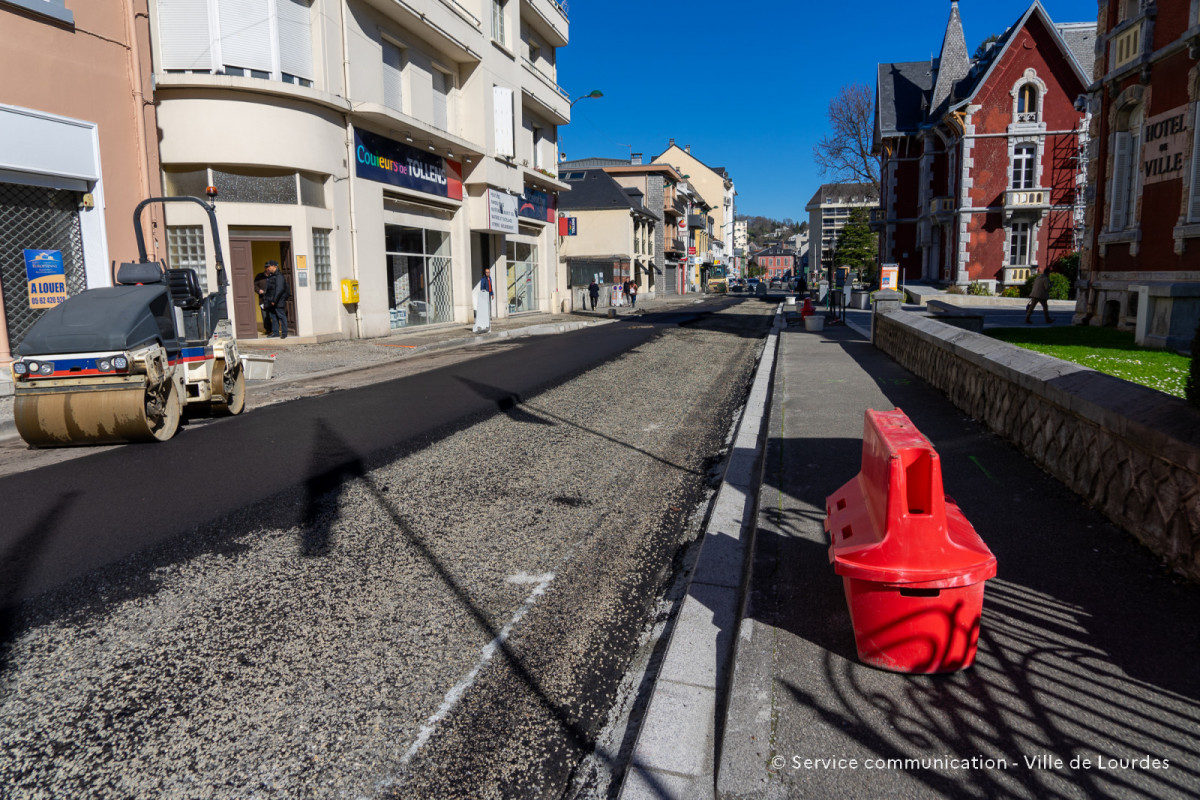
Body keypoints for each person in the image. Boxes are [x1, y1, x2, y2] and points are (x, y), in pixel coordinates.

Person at [263, 260, 290, 339]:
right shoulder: (272, 276)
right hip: (272, 301)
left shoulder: (279, 276)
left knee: (281, 316)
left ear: (274, 266)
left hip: (278, 301)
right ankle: (275, 332)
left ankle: (284, 333)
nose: (267, 268)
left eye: (269, 266)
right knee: (274, 317)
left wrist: (274, 300)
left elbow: (279, 289)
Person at [254, 267, 274, 336]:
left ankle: (274, 330)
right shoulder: (259, 276)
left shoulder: (274, 276)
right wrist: (258, 290)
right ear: (265, 268)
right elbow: (254, 285)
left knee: (273, 315)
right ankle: (268, 330)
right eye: (267, 268)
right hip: (263, 299)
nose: (269, 269)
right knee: (265, 316)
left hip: (272, 299)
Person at [473, 266, 493, 333]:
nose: (488, 273)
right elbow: (482, 287)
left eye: (489, 272)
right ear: (485, 273)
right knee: (485, 307)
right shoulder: (483, 279)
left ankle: (488, 319)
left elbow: (491, 286)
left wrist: (492, 294)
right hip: (485, 294)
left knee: (488, 307)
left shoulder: (489, 278)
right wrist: (483, 294)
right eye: (487, 272)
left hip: (489, 294)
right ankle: (486, 319)